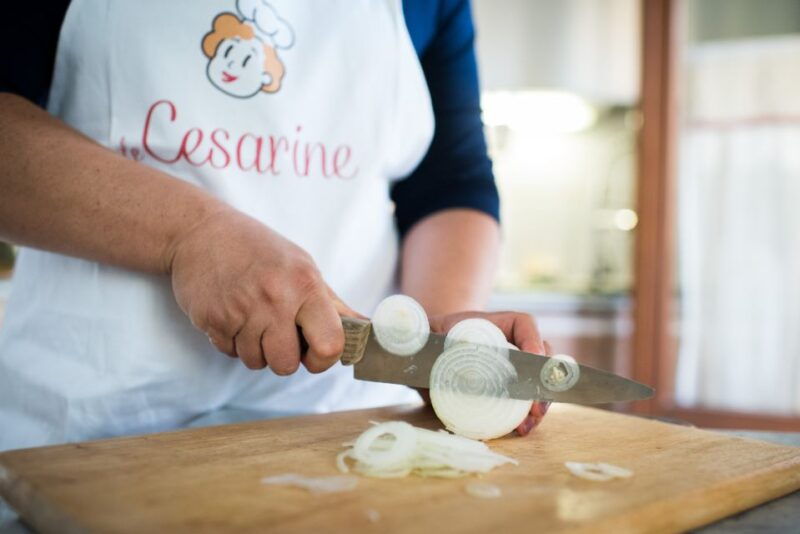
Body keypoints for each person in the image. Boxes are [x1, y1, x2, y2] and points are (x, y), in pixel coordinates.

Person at [0, 0, 549, 451]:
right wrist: (191, 233)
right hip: (88, 436)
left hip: (337, 434)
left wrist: (432, 342)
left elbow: (451, 184)